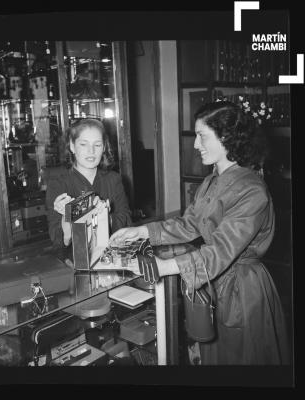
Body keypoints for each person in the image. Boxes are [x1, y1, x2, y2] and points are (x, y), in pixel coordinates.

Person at [109, 101, 290, 365]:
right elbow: (189, 224)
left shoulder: (252, 190)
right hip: (213, 282)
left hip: (242, 291)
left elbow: (219, 250)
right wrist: (141, 232)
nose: (195, 144)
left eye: (202, 135)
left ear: (226, 137)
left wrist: (165, 266)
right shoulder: (212, 180)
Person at [46, 118, 131, 261]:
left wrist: (100, 214)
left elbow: (126, 220)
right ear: (72, 146)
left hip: (112, 256)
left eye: (97, 145)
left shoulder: (113, 179)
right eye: (83, 144)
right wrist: (70, 214)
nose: (91, 151)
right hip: (74, 262)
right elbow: (58, 239)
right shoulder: (58, 185)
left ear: (104, 147)